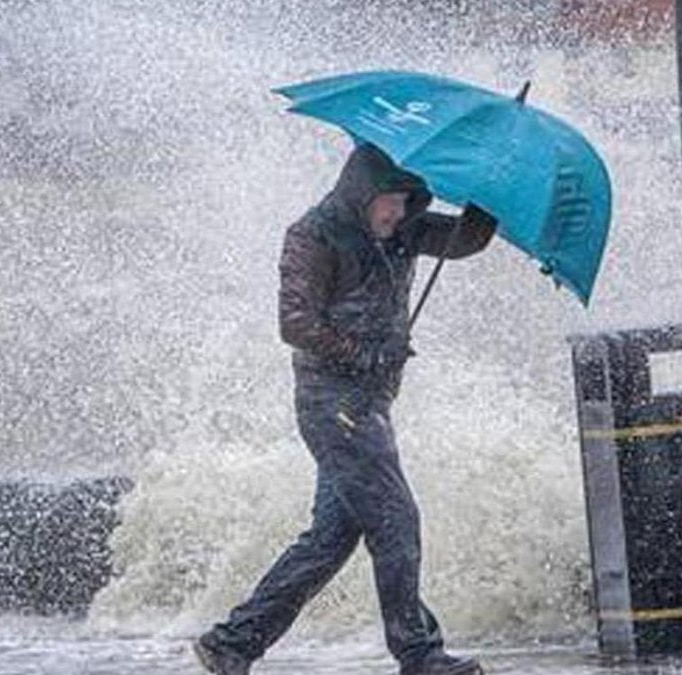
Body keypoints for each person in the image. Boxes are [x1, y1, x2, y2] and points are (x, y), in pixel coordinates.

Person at [192, 144, 496, 675]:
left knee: (331, 539)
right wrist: (364, 353)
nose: (397, 214)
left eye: (407, 202)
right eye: (390, 202)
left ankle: (232, 643)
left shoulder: (404, 230)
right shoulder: (314, 235)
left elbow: (464, 240)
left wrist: (486, 196)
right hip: (332, 403)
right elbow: (295, 323)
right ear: (362, 193)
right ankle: (419, 654)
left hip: (372, 402)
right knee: (396, 519)